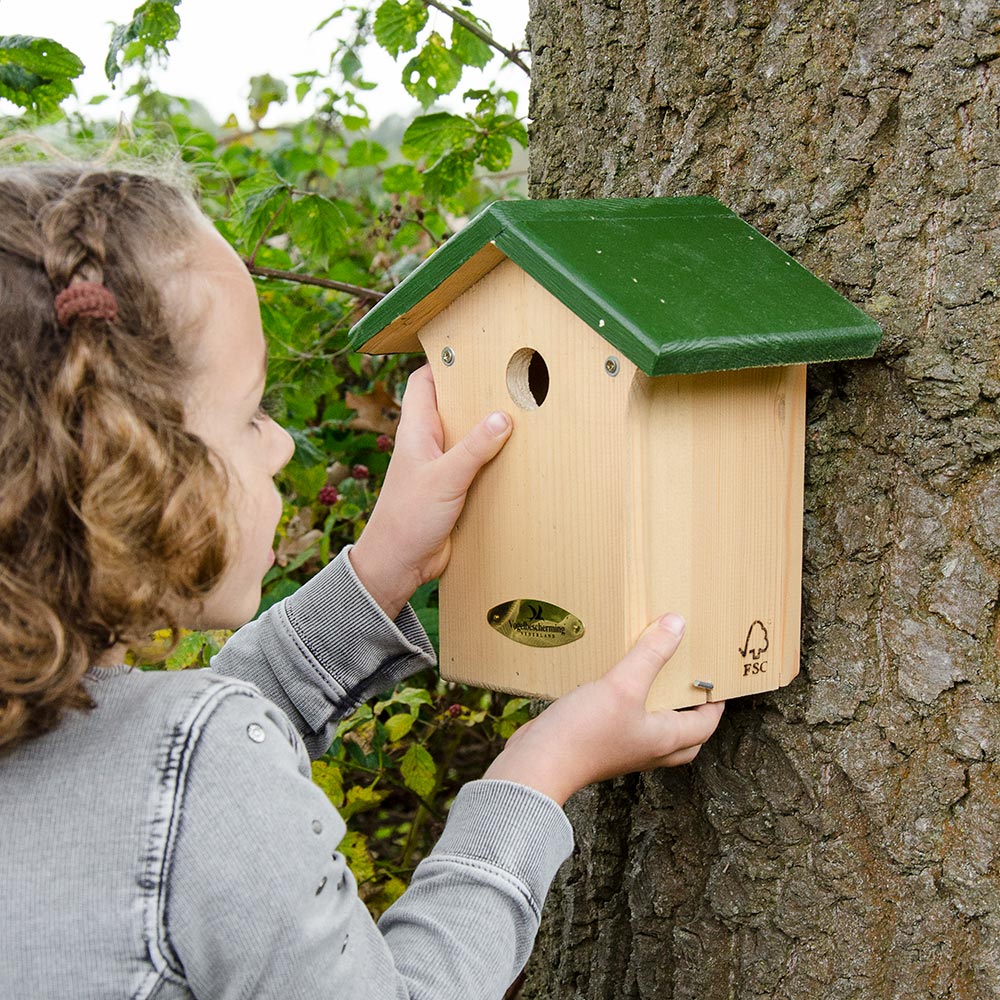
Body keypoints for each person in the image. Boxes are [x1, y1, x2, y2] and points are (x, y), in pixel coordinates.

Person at [0, 161, 725, 999]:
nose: (277, 445)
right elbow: (191, 776)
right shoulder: (204, 777)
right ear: (126, 467)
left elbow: (155, 769)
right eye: (248, 414)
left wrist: (379, 572)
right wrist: (537, 772)